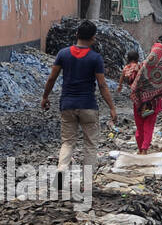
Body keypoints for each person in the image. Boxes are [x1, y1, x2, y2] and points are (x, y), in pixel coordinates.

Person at [41, 20, 118, 175]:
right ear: (93, 38)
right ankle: (87, 183)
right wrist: (111, 107)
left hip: (67, 105)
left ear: (76, 34)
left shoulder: (63, 54)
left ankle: (61, 173)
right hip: (88, 106)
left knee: (68, 142)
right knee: (90, 145)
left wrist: (45, 97)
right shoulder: (95, 58)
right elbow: (102, 85)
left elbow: (51, 78)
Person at [129, 41, 162, 154]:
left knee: (139, 126)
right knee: (148, 126)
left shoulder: (142, 65)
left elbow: (132, 80)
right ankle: (144, 149)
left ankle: (140, 149)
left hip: (138, 102)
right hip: (153, 103)